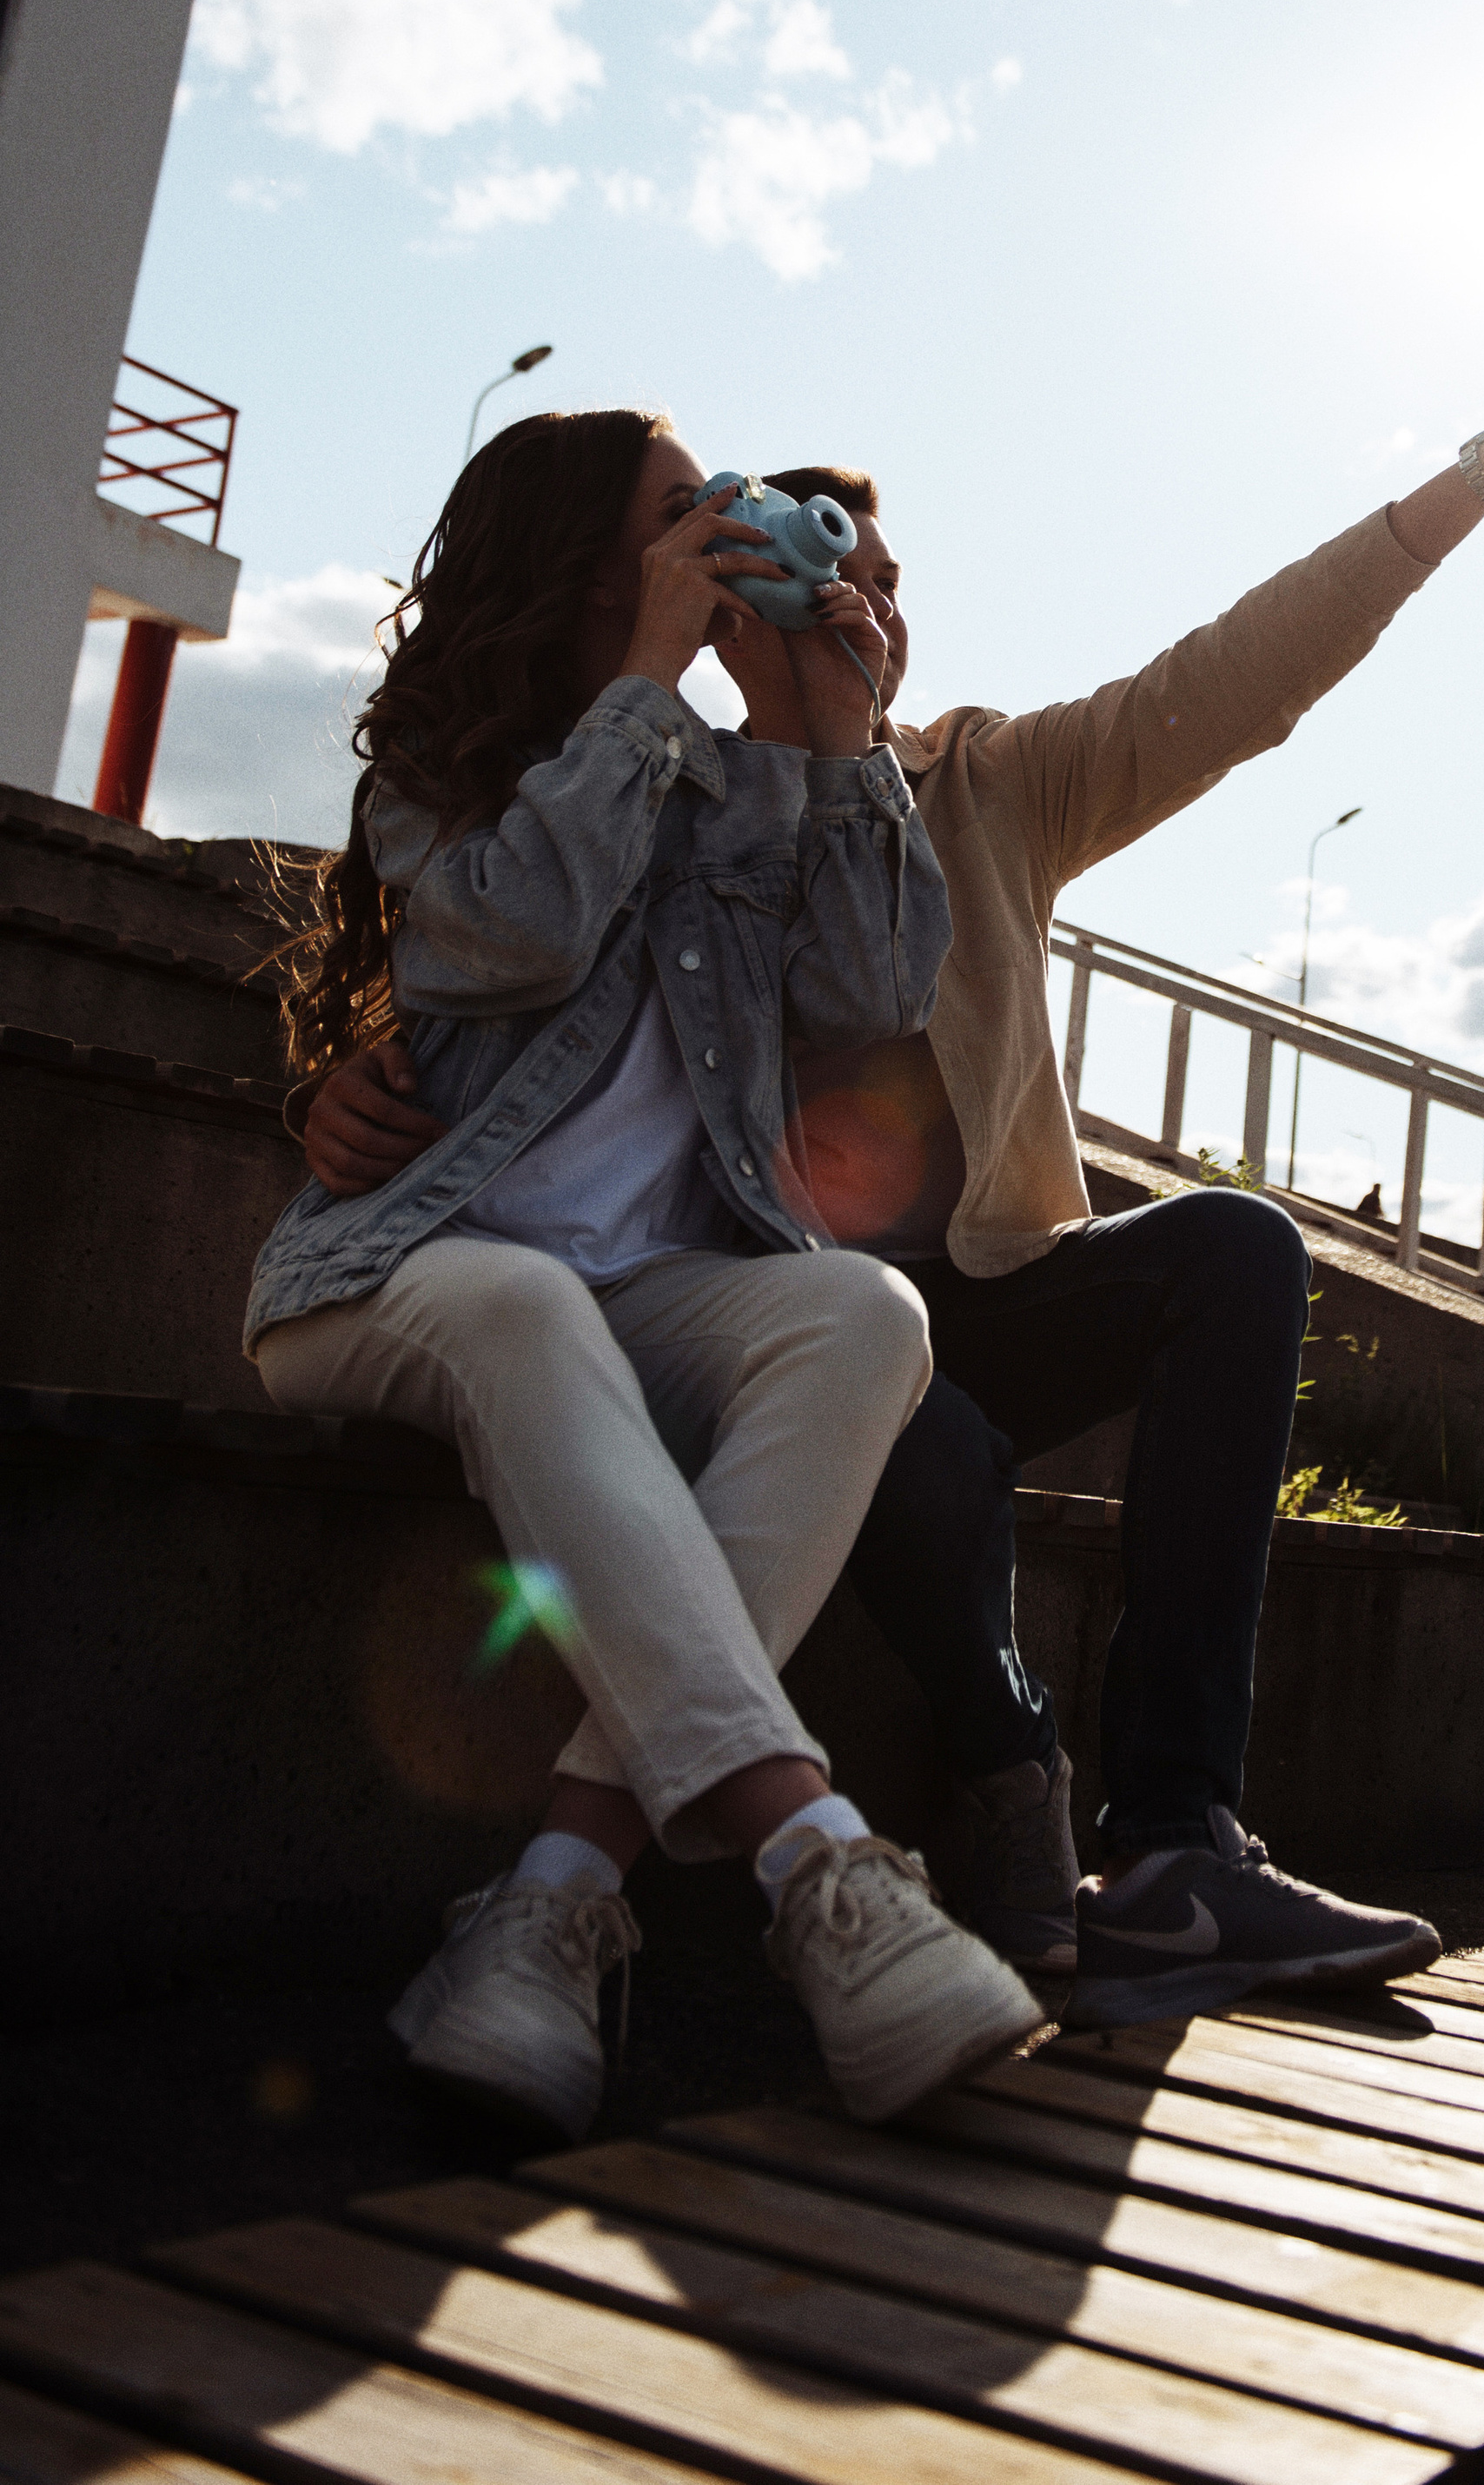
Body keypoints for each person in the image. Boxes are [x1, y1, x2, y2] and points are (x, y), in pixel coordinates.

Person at [304, 318, 1484, 2033]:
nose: (864, 598)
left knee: (1229, 1253)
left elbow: (1239, 676)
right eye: (817, 563)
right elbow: (481, 974)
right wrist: (324, 1083)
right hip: (764, 1300)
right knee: (903, 1395)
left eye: (883, 574)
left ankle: (1177, 1834)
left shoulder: (981, 786)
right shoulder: (670, 774)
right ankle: (1006, 1796)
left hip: (958, 1296)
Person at [250, 408, 1039, 2137]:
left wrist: (831, 733)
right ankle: (820, 1867)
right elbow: (509, 933)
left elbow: (873, 998)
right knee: (519, 1299)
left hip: (642, 1302)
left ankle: (549, 1901)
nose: (725, 525)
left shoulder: (722, 772)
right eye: (682, 510)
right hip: (400, 1269)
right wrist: (645, 684)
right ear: (589, 564)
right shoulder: (452, 767)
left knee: (861, 1310)